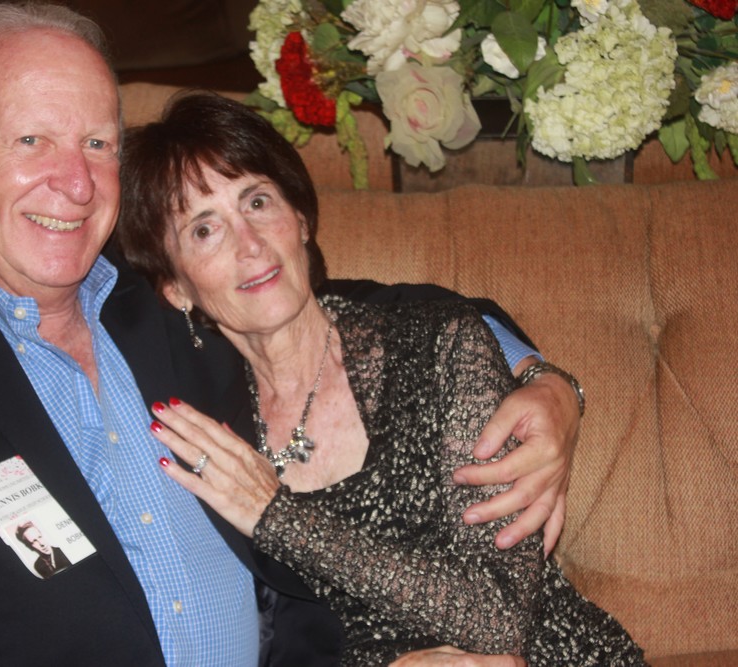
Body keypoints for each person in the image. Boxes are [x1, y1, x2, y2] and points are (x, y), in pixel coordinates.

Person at [0, 4, 577, 666]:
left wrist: (544, 381)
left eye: (97, 143)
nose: (75, 183)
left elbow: (311, 299)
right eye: (31, 140)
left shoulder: (155, 299)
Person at [115, 92, 645, 666]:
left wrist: (276, 516)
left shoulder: (434, 345)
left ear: (301, 220)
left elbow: (499, 619)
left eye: (257, 202)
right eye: (204, 230)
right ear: (176, 288)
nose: (250, 244)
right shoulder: (210, 420)